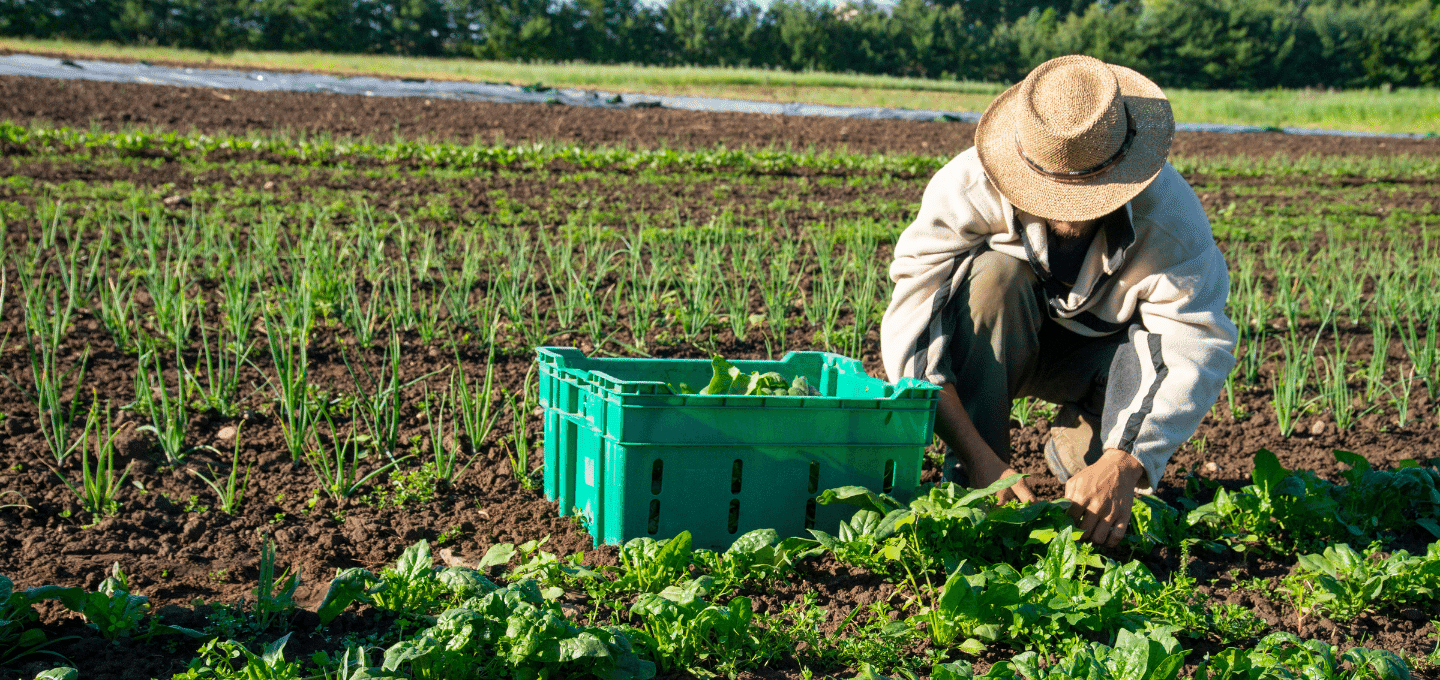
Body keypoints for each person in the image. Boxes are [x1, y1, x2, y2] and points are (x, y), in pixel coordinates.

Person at [880, 55, 1237, 547]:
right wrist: (983, 462)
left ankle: (1081, 445)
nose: (1069, 215)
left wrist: (1124, 463)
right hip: (1001, 342)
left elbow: (1193, 343)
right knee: (993, 277)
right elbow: (914, 329)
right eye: (1052, 194)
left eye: (1089, 195)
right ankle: (976, 481)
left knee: (1104, 506)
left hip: (1098, 361)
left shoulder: (1170, 220)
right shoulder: (967, 187)